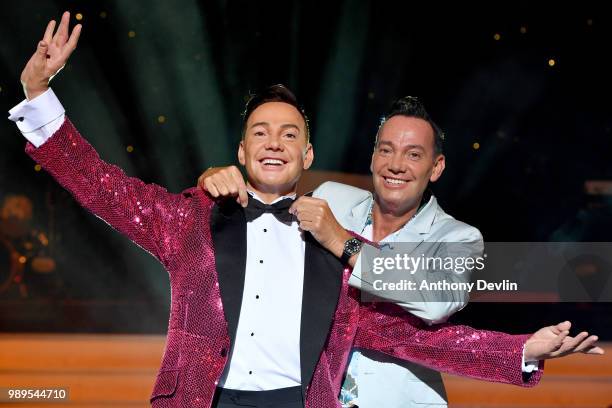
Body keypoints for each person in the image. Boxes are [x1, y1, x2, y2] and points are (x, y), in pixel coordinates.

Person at [11, 12, 603, 408]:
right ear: (241, 152)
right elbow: (103, 188)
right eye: (260, 133)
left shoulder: (333, 240)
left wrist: (520, 351)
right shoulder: (193, 218)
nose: (274, 142)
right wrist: (40, 94)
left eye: (289, 134)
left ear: (308, 154)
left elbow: (402, 336)